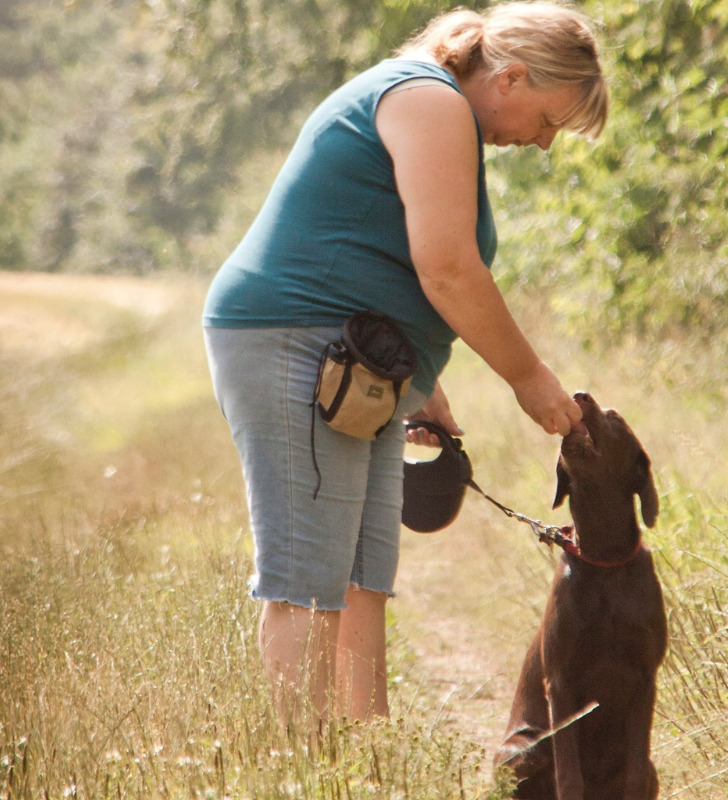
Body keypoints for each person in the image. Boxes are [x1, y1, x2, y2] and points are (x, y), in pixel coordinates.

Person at [202, 0, 608, 727]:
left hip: (356, 359)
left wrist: (426, 383)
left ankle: (368, 758)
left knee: (362, 577)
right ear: (511, 78)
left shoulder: (435, 101)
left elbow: (379, 251)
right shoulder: (428, 100)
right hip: (292, 340)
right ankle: (308, 770)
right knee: (307, 584)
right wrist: (529, 378)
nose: (545, 144)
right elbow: (447, 267)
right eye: (549, 121)